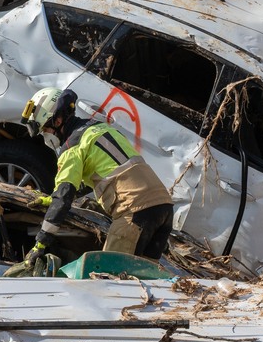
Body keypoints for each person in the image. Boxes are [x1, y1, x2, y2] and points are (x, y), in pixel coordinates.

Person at [20, 87, 174, 264]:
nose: (45, 135)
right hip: (164, 207)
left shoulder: (73, 146)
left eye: (45, 129)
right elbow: (85, 183)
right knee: (142, 280)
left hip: (135, 212)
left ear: (58, 120)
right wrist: (53, 199)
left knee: (109, 280)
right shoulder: (100, 129)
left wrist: (40, 244)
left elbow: (64, 195)